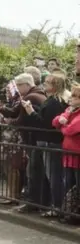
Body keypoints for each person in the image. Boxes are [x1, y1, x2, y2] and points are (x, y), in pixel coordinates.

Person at [0, 73, 47, 213]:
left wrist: (8, 122)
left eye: (19, 85)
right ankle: (36, 202)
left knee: (33, 172)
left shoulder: (31, 97)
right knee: (34, 171)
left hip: (34, 140)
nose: (16, 88)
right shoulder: (37, 94)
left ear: (27, 84)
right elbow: (14, 112)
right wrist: (0, 108)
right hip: (36, 140)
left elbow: (21, 119)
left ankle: (32, 203)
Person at [22, 74, 69, 216]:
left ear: (55, 85)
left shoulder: (55, 102)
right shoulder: (53, 100)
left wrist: (30, 112)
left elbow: (45, 124)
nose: (44, 84)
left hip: (51, 142)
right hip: (50, 142)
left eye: (48, 82)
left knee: (54, 176)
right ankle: (54, 205)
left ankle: (57, 207)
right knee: (52, 176)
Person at [52, 83, 80, 219]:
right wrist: (62, 120)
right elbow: (55, 121)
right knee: (68, 183)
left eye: (75, 97)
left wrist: (62, 127)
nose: (71, 99)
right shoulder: (71, 111)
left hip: (77, 154)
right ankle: (70, 212)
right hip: (68, 154)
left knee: (77, 184)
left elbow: (71, 130)